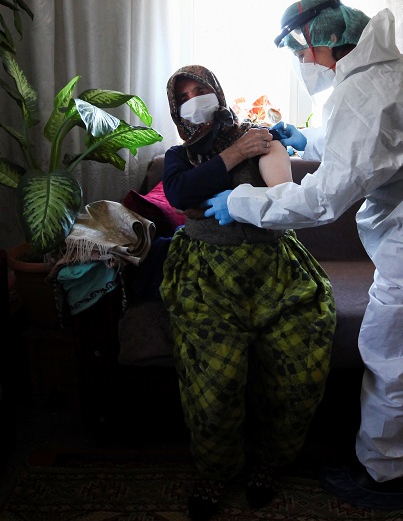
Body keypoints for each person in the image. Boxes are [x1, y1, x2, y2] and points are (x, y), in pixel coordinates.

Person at [203, 0, 403, 510]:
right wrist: (307, 140)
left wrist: (243, 200)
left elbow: (322, 201)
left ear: (324, 45)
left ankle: (384, 478)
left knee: (393, 360)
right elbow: (382, 144)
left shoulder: (364, 95)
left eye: (301, 52)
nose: (301, 62)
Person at [159, 64, 336, 521]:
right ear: (176, 110)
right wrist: (237, 155)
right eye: (185, 96)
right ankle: (216, 470)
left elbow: (282, 192)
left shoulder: (261, 136)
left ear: (218, 91)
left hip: (276, 268)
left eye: (202, 89)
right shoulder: (180, 155)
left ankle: (268, 463)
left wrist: (240, 175)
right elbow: (180, 196)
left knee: (301, 370)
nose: (196, 99)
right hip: (207, 275)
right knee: (214, 382)